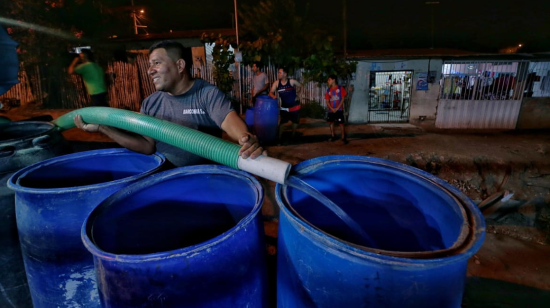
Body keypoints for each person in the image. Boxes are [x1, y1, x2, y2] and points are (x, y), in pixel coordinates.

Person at [74, 40, 263, 167]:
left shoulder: (206, 94)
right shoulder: (150, 103)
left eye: (156, 63)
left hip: (203, 180)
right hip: (165, 177)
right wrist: (103, 127)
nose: (150, 71)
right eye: (150, 65)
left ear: (180, 66)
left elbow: (228, 119)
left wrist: (244, 138)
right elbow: (147, 146)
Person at [269, 67, 302, 144]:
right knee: (282, 123)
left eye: (280, 72)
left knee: (295, 122)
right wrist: (273, 96)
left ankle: (293, 136)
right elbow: (271, 92)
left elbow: (301, 86)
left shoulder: (292, 81)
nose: (278, 74)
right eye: (278, 72)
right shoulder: (276, 83)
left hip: (294, 106)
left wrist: (298, 95)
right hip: (284, 106)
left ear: (285, 74)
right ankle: (279, 139)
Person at [325, 75, 348, 144]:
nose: (328, 81)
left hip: (339, 110)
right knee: (331, 123)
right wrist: (331, 108)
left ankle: (343, 137)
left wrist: (337, 108)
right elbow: (327, 101)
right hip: (331, 110)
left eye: (329, 79)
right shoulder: (328, 90)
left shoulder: (340, 89)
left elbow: (343, 99)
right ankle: (333, 136)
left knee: (341, 124)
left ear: (333, 80)